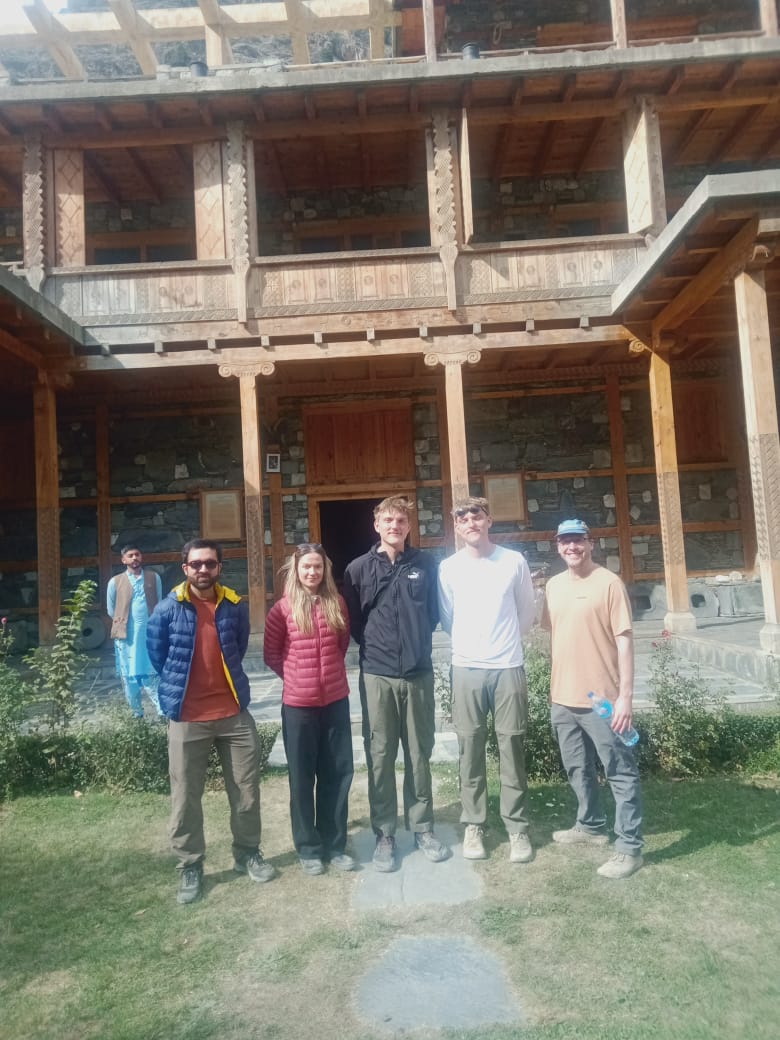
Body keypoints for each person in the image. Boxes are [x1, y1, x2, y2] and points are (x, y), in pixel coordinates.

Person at [147, 538, 276, 904]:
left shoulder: (234, 606)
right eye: (196, 564)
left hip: (233, 715)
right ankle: (190, 864)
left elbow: (237, 644)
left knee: (247, 791)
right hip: (188, 718)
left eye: (210, 563)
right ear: (185, 568)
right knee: (186, 796)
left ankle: (248, 852)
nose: (203, 569)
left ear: (220, 567)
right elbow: (158, 655)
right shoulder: (168, 609)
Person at [343, 495, 449, 872]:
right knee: (381, 756)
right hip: (377, 675)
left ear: (408, 525)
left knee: (419, 754)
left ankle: (422, 827)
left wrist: (416, 643)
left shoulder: (426, 564)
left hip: (418, 673)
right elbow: (353, 621)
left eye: (401, 520)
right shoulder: (356, 569)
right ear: (376, 525)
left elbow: (434, 614)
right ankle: (384, 833)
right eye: (388, 520)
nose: (394, 525)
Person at [542, 518, 644, 879]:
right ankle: (590, 824)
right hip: (563, 698)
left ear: (591, 542)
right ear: (557, 546)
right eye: (565, 541)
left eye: (578, 540)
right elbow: (556, 634)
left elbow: (626, 640)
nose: (572, 547)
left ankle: (629, 847)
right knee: (577, 768)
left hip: (604, 700)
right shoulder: (553, 587)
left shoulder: (609, 583)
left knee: (619, 771)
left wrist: (625, 698)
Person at [438, 497, 536, 864]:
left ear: (488, 520)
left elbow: (526, 610)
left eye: (475, 516)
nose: (469, 522)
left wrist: (506, 644)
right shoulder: (448, 568)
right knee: (470, 747)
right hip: (467, 667)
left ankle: (517, 828)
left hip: (508, 666)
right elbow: (448, 616)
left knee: (511, 746)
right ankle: (474, 824)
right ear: (457, 527)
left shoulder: (513, 561)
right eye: (461, 518)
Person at [263, 543, 355, 876]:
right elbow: (272, 655)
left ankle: (334, 844)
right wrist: (298, 677)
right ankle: (309, 847)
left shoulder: (337, 603)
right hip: (299, 707)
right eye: (306, 567)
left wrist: (325, 677)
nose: (312, 572)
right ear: (296, 570)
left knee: (338, 774)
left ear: (324, 570)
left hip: (335, 702)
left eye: (317, 567)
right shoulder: (282, 610)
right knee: (302, 779)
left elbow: (342, 644)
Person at [106, 543, 162, 719]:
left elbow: (159, 603)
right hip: (126, 636)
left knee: (151, 671)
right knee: (129, 674)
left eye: (137, 554)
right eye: (130, 555)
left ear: (141, 557)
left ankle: (162, 712)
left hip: (149, 634)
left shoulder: (154, 578)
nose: (134, 558)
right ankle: (136, 713)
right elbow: (111, 609)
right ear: (123, 560)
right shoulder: (115, 582)